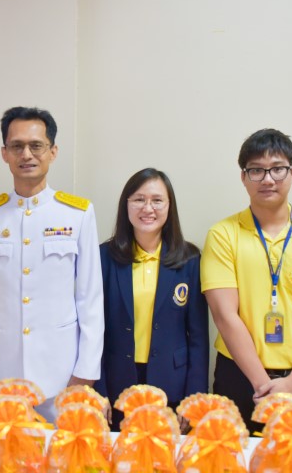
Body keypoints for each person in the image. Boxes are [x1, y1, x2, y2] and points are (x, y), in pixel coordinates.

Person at [200, 128, 292, 433]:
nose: (267, 179)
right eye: (256, 170)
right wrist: (262, 385)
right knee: (231, 454)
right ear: (243, 177)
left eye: (277, 168)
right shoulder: (222, 234)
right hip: (237, 375)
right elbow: (224, 315)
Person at [0, 106, 104, 421]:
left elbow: (90, 299)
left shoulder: (78, 214)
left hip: (63, 375)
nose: (26, 154)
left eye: (36, 146)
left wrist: (85, 372)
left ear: (53, 152)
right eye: (17, 146)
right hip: (2, 375)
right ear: (4, 153)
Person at [95, 168, 209, 432]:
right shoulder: (104, 257)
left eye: (157, 200)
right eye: (139, 199)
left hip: (173, 384)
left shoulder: (189, 259)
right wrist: (98, 390)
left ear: (169, 206)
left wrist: (195, 398)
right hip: (117, 383)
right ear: (126, 205)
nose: (148, 208)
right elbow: (94, 331)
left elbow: (198, 337)